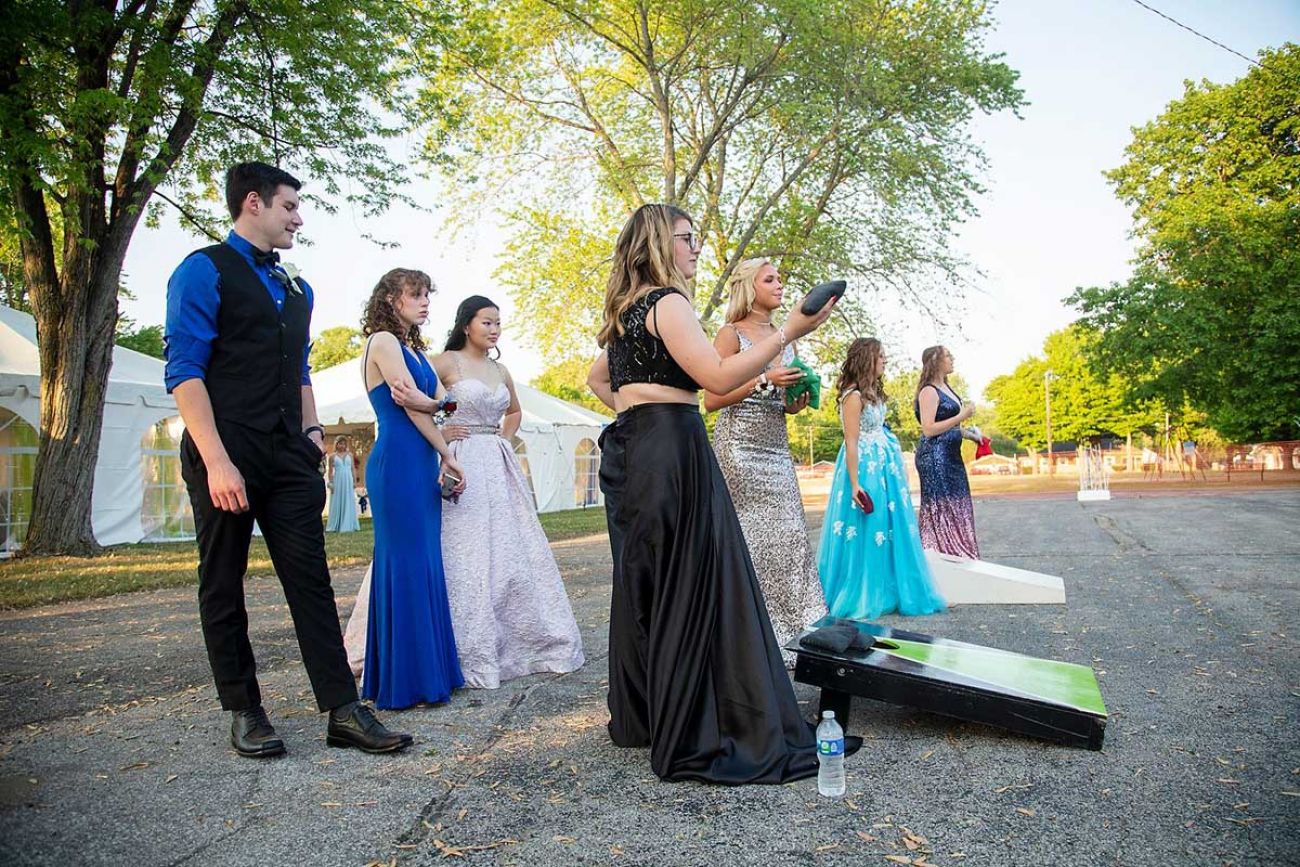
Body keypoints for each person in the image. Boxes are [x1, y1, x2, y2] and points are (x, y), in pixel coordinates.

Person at [586, 203, 837, 785]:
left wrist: (633, 414)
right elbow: (720, 379)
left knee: (644, 580)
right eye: (686, 239)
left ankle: (644, 718)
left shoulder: (625, 310)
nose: (696, 248)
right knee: (693, 579)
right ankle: (696, 723)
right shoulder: (668, 303)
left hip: (633, 449)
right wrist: (790, 332)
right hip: (672, 448)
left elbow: (598, 380)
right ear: (657, 243)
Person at [165, 161, 409, 758]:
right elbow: (185, 373)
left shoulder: (296, 287)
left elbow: (298, 370)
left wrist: (313, 434)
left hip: (287, 454)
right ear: (254, 203)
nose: (299, 218)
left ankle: (342, 709)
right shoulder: (203, 271)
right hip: (224, 447)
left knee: (311, 579)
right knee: (222, 581)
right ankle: (244, 709)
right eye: (291, 207)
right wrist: (217, 461)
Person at [346, 296, 585, 689]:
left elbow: (515, 412)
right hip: (459, 455)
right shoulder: (443, 361)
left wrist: (502, 440)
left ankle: (520, 639)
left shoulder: (501, 369)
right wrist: (444, 435)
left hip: (497, 460)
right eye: (487, 322)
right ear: (467, 325)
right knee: (461, 547)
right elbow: (430, 405)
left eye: (498, 323)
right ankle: (451, 646)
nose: (494, 329)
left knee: (510, 549)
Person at [703, 259, 826, 668]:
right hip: (739, 450)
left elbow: (786, 407)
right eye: (770, 279)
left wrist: (797, 398)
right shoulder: (730, 334)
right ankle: (748, 638)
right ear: (748, 286)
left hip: (777, 449)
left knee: (790, 537)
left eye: (780, 278)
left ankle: (794, 632)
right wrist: (763, 380)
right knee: (750, 543)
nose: (779, 285)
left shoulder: (784, 336)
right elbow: (712, 399)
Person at [356, 269, 467, 709]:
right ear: (390, 298)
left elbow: (448, 402)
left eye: (427, 295)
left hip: (421, 462)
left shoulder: (415, 352)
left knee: (425, 562)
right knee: (403, 564)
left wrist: (436, 406)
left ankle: (428, 672)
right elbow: (411, 409)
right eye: (415, 295)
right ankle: (404, 681)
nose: (424, 303)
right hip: (398, 462)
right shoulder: (383, 342)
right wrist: (449, 452)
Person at [817, 338, 945, 620]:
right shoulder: (853, 396)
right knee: (868, 526)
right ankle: (862, 592)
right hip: (864, 467)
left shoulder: (873, 392)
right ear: (867, 360)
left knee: (889, 527)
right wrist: (854, 483)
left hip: (885, 467)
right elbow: (851, 441)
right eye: (881, 356)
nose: (885, 361)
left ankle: (889, 590)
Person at [914, 345, 980, 559]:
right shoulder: (929, 391)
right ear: (936, 361)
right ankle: (943, 553)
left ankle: (961, 553)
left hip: (951, 455)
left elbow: (948, 426)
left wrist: (970, 435)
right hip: (935, 457)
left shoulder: (947, 388)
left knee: (958, 503)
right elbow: (929, 428)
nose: (953, 358)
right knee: (944, 507)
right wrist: (963, 415)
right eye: (948, 356)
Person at [326, 437, 361, 532]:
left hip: (348, 479)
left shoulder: (350, 455)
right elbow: (330, 471)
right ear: (336, 444)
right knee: (338, 499)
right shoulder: (332, 456)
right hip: (338, 480)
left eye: (344, 444)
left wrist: (354, 481)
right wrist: (331, 483)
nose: (342, 446)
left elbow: (353, 468)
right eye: (340, 443)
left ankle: (349, 523)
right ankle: (336, 524)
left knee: (348, 499)